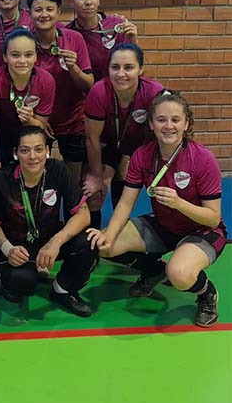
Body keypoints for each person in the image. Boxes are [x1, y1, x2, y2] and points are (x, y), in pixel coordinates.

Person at [87, 92, 227, 327]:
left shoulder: (203, 159)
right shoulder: (143, 155)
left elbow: (213, 218)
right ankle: (154, 270)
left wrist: (178, 203)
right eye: (161, 120)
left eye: (175, 120)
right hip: (163, 224)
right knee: (105, 246)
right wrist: (108, 235)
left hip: (201, 230)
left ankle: (206, 294)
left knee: (180, 275)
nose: (168, 126)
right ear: (151, 124)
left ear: (186, 123)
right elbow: (125, 203)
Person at [0, 126, 97, 316]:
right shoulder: (1, 180)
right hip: (17, 247)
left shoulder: (58, 170)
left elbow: (83, 214)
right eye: (25, 150)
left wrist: (56, 242)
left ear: (47, 151)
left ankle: (63, 289)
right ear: (15, 153)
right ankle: (1, 274)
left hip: (49, 242)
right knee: (21, 284)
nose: (32, 156)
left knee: (90, 241)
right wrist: (7, 249)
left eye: (38, 149)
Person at [83, 42, 164, 228]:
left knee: (154, 191)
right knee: (93, 190)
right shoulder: (98, 92)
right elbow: (92, 139)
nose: (121, 74)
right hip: (106, 143)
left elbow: (167, 132)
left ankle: (121, 228)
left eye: (128, 67)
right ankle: (90, 237)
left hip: (140, 145)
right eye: (115, 67)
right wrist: (97, 176)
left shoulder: (154, 93)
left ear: (141, 69)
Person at [27, 0, 94, 184]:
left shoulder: (74, 38)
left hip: (72, 121)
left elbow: (89, 86)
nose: (44, 14)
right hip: (37, 121)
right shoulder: (23, 42)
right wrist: (38, 121)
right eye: (38, 10)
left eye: (49, 9)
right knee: (36, 178)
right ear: (29, 13)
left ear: (58, 12)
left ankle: (75, 213)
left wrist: (73, 68)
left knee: (75, 182)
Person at [0, 28, 55, 188]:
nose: (22, 60)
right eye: (15, 55)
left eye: (28, 55)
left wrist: (30, 120)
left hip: (31, 139)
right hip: (0, 140)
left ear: (36, 56)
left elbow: (41, 128)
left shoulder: (46, 81)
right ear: (5, 57)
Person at [66, 0, 138, 82]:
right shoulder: (68, 34)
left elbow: (135, 64)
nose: (88, 2)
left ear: (99, 0)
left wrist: (133, 40)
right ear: (72, 2)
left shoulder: (117, 26)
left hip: (115, 90)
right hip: (82, 95)